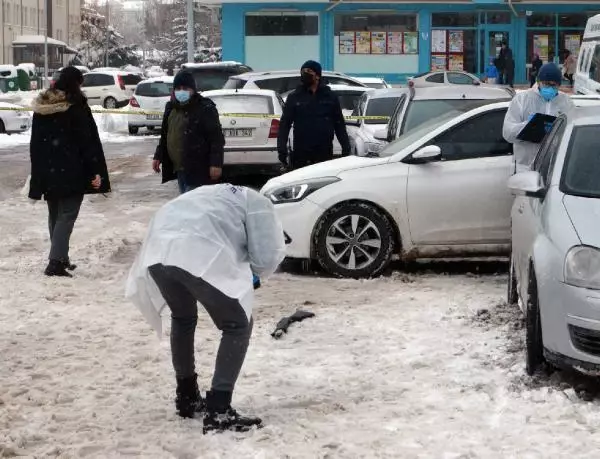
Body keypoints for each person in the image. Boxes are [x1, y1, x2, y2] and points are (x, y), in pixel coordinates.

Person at [125, 184, 286, 433]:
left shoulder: (217, 194)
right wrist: (256, 276)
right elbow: (266, 256)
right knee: (238, 324)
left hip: (157, 252)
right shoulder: (260, 205)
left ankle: (187, 397)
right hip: (193, 250)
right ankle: (219, 410)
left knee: (183, 317)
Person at [28, 66, 110, 277]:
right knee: (67, 214)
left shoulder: (42, 107)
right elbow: (87, 143)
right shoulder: (77, 108)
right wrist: (95, 171)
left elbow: (35, 143)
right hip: (72, 169)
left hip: (49, 170)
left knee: (55, 214)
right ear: (75, 84)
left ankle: (61, 257)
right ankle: (55, 262)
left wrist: (39, 172)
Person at [152, 71, 225, 194]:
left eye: (185, 88)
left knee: (195, 206)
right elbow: (165, 135)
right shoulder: (171, 108)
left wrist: (216, 164)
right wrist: (158, 155)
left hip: (199, 169)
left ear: (193, 90)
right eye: (178, 88)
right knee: (186, 204)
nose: (181, 91)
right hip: (180, 169)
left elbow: (216, 139)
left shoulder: (205, 108)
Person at [277, 60, 351, 170]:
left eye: (308, 71)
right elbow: (285, 124)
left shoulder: (329, 96)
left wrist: (345, 146)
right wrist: (282, 149)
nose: (304, 74)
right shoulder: (295, 97)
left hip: (324, 151)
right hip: (301, 152)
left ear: (317, 75)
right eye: (303, 71)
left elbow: (339, 124)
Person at [503, 63, 575, 172]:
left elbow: (572, 131)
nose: (550, 88)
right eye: (546, 84)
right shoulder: (522, 100)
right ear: (538, 82)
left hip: (554, 169)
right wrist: (529, 126)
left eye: (554, 85)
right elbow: (507, 133)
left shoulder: (566, 102)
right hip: (525, 167)